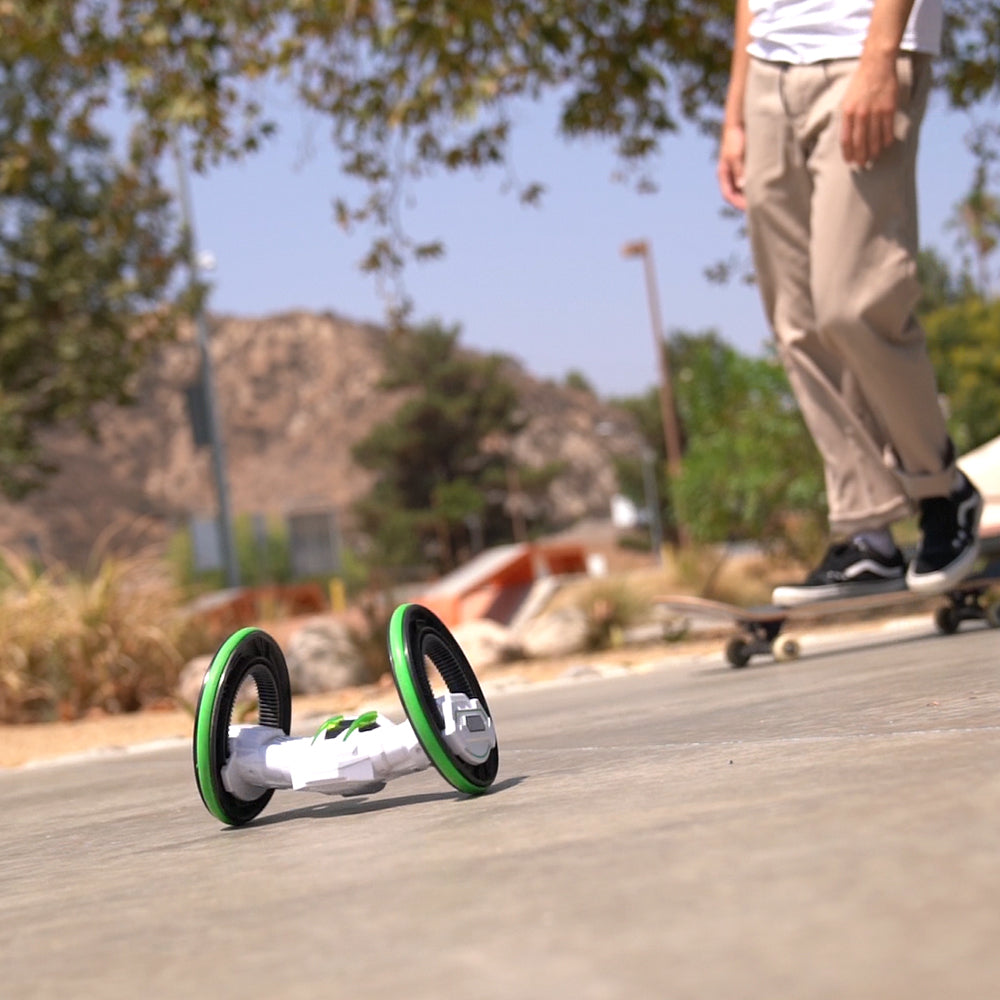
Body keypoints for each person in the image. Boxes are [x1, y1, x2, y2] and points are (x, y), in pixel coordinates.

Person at [717, 0, 982, 606]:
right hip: (768, 74)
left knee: (853, 303)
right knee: (797, 321)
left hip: (861, 51)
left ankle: (942, 489)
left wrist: (881, 58)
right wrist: (735, 115)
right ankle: (867, 531)